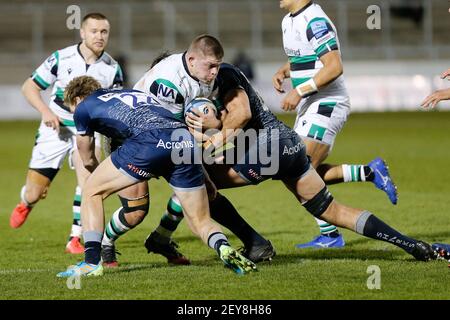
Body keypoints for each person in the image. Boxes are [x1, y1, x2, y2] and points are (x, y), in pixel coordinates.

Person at [159, 62, 447, 265]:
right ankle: (415, 245)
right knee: (333, 210)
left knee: (196, 182)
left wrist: (210, 137)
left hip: (268, 150)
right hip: (288, 142)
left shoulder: (222, 77)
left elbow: (242, 114)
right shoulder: (223, 77)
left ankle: (256, 244)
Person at [100, 35, 275, 268]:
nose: (215, 72)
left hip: (165, 138)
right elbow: (172, 131)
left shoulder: (201, 75)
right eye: (210, 66)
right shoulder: (169, 83)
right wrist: (202, 165)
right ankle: (105, 244)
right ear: (192, 59)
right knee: (136, 212)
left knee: (196, 193)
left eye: (218, 66)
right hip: (130, 139)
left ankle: (161, 238)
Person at [56, 76, 257, 277]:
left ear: (77, 99)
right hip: (182, 140)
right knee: (200, 220)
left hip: (148, 143)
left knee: (91, 191)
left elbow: (87, 156)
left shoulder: (83, 107)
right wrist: (205, 177)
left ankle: (91, 262)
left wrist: (97, 174)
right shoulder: (135, 93)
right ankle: (223, 247)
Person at [272, 0, 398, 248]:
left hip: (327, 102)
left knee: (297, 169)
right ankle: (370, 172)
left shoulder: (315, 20)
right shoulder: (288, 20)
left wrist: (300, 91)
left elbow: (334, 66)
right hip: (312, 104)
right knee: (302, 172)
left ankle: (330, 234)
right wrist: (284, 71)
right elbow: (304, 57)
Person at [9, 13, 123, 254]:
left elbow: (114, 106)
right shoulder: (61, 58)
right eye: (94, 31)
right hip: (55, 128)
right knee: (34, 191)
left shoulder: (112, 69)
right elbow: (29, 86)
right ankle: (26, 202)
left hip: (87, 131)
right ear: (82, 32)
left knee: (89, 182)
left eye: (104, 32)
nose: (99, 36)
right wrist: (45, 112)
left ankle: (76, 238)